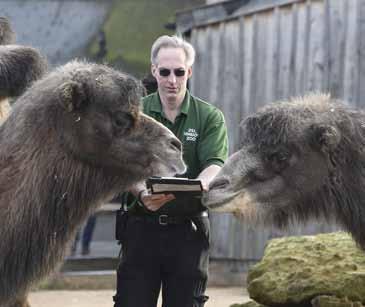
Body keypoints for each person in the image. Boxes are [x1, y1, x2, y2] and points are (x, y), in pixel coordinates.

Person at [113, 35, 229, 307]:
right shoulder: (135, 113)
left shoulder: (209, 116)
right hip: (141, 228)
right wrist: (141, 193)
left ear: (189, 71)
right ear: (154, 70)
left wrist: (201, 184)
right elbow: (121, 163)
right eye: (164, 72)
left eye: (179, 72)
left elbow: (215, 162)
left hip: (188, 231)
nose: (172, 80)